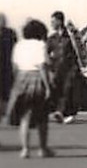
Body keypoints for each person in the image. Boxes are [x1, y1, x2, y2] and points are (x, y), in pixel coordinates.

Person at [6, 17, 54, 158]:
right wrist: (48, 86)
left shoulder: (19, 45)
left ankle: (25, 149)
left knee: (25, 116)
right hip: (37, 78)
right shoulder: (40, 45)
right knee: (42, 117)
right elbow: (42, 66)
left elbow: (14, 66)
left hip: (21, 78)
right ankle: (43, 148)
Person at [45, 11, 85, 124]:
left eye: (53, 21)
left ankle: (66, 113)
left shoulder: (70, 36)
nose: (51, 24)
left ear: (59, 21)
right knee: (58, 90)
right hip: (57, 67)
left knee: (68, 89)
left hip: (70, 67)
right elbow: (46, 52)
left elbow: (79, 47)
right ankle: (59, 112)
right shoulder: (52, 38)